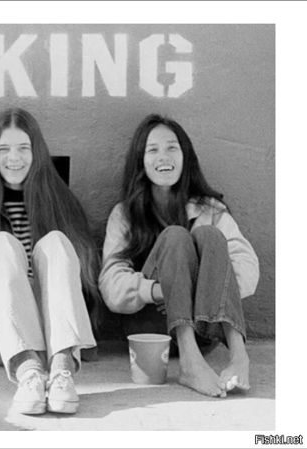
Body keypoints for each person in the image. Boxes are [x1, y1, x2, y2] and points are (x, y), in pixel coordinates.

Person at [0, 108, 100, 416]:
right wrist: (5, 274)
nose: (13, 158)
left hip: (51, 331)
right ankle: (28, 372)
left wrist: (40, 279)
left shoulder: (61, 202)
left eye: (23, 148)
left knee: (56, 241)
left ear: (36, 152)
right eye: (4, 149)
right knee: (3, 243)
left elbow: (82, 271)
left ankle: (61, 370)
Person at [99, 114, 260, 398]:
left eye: (172, 148)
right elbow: (111, 286)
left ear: (186, 157)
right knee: (175, 236)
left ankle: (238, 355)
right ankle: (189, 363)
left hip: (205, 330)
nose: (164, 156)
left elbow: (248, 271)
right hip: (151, 331)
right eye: (153, 150)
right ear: (141, 161)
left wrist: (194, 289)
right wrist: (162, 290)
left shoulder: (210, 210)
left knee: (211, 236)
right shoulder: (124, 214)